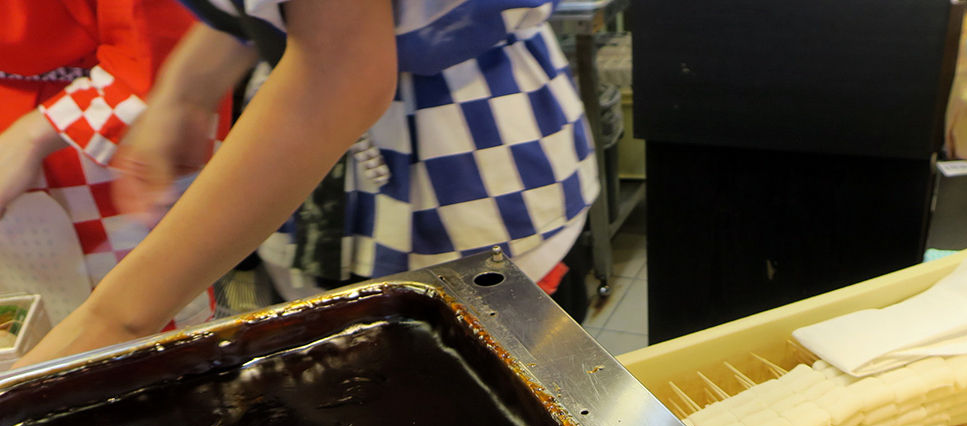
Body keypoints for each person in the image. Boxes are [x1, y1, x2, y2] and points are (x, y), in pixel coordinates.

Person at [20, 0, 599, 366]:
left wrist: (114, 319)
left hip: (467, 155)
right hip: (317, 166)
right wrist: (185, 90)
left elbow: (341, 67)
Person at [0, 0, 227, 329]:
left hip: (98, 133)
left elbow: (162, 47)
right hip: (41, 136)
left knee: (132, 335)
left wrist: (33, 137)